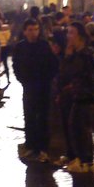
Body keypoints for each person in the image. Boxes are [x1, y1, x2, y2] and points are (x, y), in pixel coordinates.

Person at [13, 19, 60, 162]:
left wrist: (48, 80)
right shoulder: (20, 47)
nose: (33, 32)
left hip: (44, 87)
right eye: (30, 29)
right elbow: (16, 66)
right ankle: (31, 146)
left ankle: (43, 148)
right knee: (29, 116)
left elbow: (53, 65)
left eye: (35, 29)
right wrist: (23, 80)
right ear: (25, 31)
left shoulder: (45, 46)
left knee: (43, 118)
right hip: (28, 87)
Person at [57, 21, 94, 174]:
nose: (68, 36)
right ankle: (81, 159)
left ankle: (86, 161)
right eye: (68, 32)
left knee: (81, 129)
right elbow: (65, 74)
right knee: (76, 127)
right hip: (77, 95)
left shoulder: (86, 55)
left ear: (80, 36)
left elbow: (77, 74)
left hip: (85, 96)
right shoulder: (78, 54)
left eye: (71, 33)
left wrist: (68, 58)